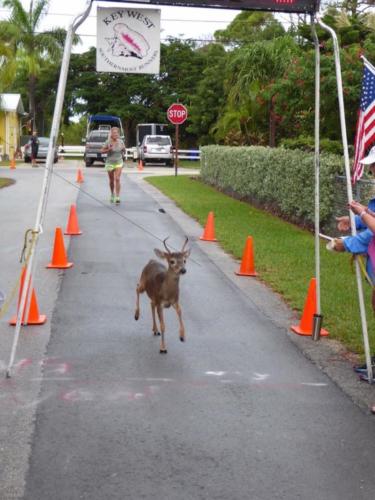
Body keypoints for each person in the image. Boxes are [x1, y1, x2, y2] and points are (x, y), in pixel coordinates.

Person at [101, 127, 125, 204]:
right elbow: (101, 151)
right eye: (114, 133)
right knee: (111, 181)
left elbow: (124, 150)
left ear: (118, 134)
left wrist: (124, 149)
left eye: (116, 133)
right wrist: (108, 150)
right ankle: (112, 194)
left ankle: (117, 197)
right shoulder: (108, 142)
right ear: (111, 134)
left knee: (117, 179)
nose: (115, 134)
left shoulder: (121, 142)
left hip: (119, 162)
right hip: (110, 163)